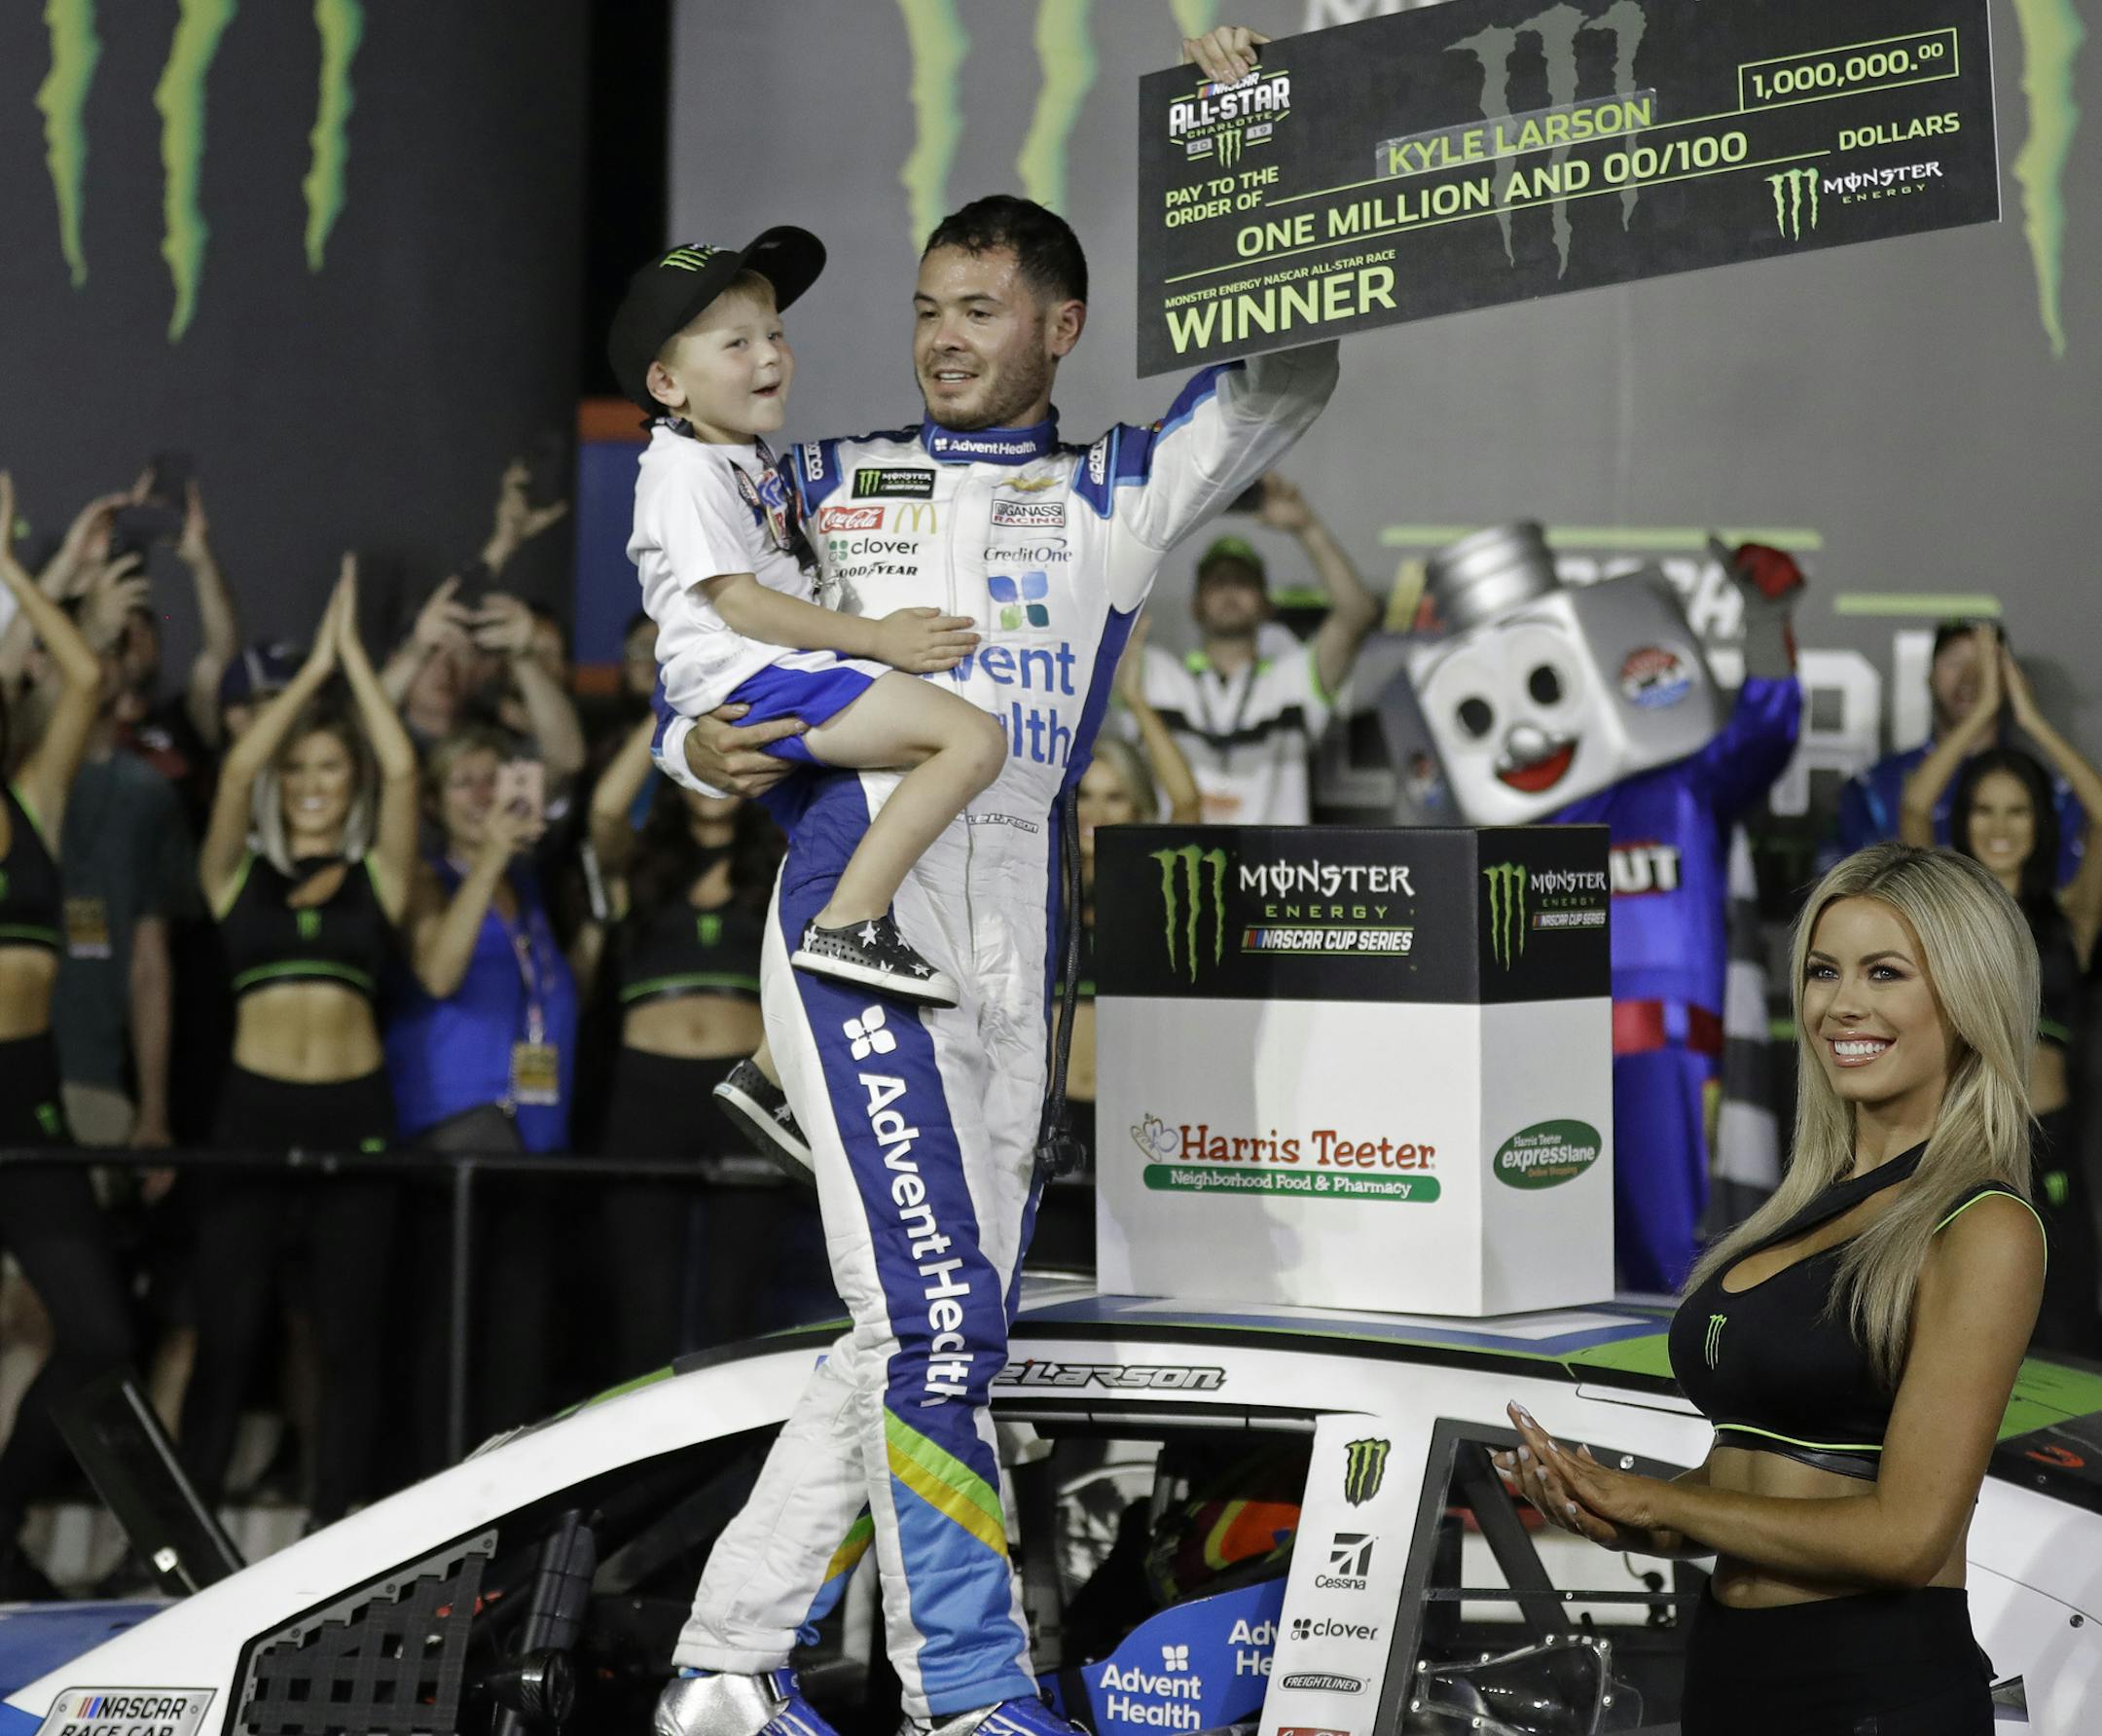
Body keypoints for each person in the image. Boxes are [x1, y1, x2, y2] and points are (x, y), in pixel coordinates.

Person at [648, 34, 1338, 1736]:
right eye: (927, 308)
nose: (943, 337)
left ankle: (728, 1663)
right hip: (853, 891)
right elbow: (692, 636)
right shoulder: (820, 476)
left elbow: (1287, 372)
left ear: (1058, 327)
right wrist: (689, 757)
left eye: (978, 308)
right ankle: (966, 1689)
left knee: (926, 1318)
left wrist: (1253, 136)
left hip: (1024, 922)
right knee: (938, 1308)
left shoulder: (1116, 491)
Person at [1497, 844, 2046, 1735]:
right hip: (1733, 1676)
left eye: (1885, 973)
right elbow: (1765, 1463)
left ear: (1967, 996)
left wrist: (1664, 1503)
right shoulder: (1801, 1212)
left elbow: (1907, 1538)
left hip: (1872, 1689)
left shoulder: (1983, 1226)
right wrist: (1630, 1514)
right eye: (1824, 971)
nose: (1842, 1005)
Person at [609, 229, 1004, 1005]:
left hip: (772, 681)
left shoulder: (736, 453)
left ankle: (775, 1061)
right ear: (666, 383)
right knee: (972, 739)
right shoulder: (682, 473)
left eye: (776, 335)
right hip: (763, 679)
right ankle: (852, 924)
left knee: (838, 843)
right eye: (736, 343)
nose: (769, 357)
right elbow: (741, 602)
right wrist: (880, 641)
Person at [181, 561, 417, 1523]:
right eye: (301, 769)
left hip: (355, 1112)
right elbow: (235, 769)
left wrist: (351, 666)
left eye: (330, 767)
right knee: (228, 1333)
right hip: (254, 1111)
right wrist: (308, 676)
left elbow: (402, 768)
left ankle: (333, 1522)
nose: (314, 784)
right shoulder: (235, 877)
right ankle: (186, 1535)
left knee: (349, 1337)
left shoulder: (379, 874)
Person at [584, 713, 822, 1363]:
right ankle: (652, 1463)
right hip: (645, 1093)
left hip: (744, 1092)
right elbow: (604, 810)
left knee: (734, 1307)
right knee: (644, 1309)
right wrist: (669, 710)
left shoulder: (780, 859)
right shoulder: (639, 863)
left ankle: (730, 1467)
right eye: (698, 756)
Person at [0, 472, 135, 1597]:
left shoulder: (31, 798)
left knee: (97, 1333)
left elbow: (86, 672)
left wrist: (7, 561)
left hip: (32, 1093)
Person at [1899, 629, 2102, 1354]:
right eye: (1985, 810)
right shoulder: (1951, 913)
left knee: (2067, 1329)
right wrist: (1982, 709)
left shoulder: (2071, 915)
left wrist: (2032, 720)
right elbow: (1917, 809)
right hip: (1964, 1145)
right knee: (1962, 1331)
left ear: (2039, 823)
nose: (2001, 827)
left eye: (2017, 811)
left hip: (2051, 1146)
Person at [386, 722, 586, 1452]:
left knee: (522, 1346)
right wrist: (488, 859)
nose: (483, 794)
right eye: (464, 781)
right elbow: (438, 971)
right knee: (451, 1337)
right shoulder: (419, 875)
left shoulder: (529, 886)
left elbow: (564, 759)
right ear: (435, 801)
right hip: (459, 1135)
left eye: (494, 776)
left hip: (535, 1142)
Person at [1141, 472, 1381, 824]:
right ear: (1194, 604)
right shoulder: (1153, 676)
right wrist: (1151, 518)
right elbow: (1089, 623)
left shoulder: (1294, 682)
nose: (1230, 592)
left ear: (1267, 605)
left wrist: (1307, 528)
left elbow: (1357, 614)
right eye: (1217, 582)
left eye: (1243, 583)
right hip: (1171, 873)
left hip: (1275, 874)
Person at [1837, 617, 2084, 883]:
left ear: (2011, 680)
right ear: (1929, 675)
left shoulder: (2047, 788)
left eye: (1985, 665)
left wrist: (2031, 719)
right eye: (1955, 662)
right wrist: (1984, 708)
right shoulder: (1874, 786)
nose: (1970, 676)